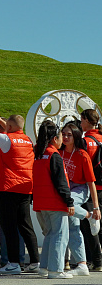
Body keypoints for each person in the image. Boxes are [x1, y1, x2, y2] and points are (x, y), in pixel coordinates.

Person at [0, 111, 39, 275]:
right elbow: (14, 129)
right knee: (26, 226)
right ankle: (35, 261)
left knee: (9, 227)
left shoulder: (6, 140)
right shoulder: (27, 140)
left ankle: (14, 263)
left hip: (7, 188)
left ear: (9, 127)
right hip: (26, 188)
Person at [34, 120, 76, 279]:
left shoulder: (39, 154)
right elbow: (61, 182)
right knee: (59, 236)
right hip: (55, 202)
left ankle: (44, 267)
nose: (61, 139)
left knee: (50, 235)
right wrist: (69, 202)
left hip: (42, 202)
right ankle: (56, 270)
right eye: (60, 136)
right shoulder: (54, 155)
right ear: (54, 139)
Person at [60, 120, 101, 276]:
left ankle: (89, 216)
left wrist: (95, 208)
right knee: (72, 225)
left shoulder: (82, 155)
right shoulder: (59, 152)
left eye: (69, 135)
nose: (65, 137)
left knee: (66, 203)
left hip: (80, 188)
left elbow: (91, 183)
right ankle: (82, 264)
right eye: (63, 134)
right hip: (65, 189)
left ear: (76, 136)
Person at [80, 109, 102, 270]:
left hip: (90, 188)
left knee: (89, 226)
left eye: (81, 120)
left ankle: (95, 261)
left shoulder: (86, 141)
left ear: (87, 120)